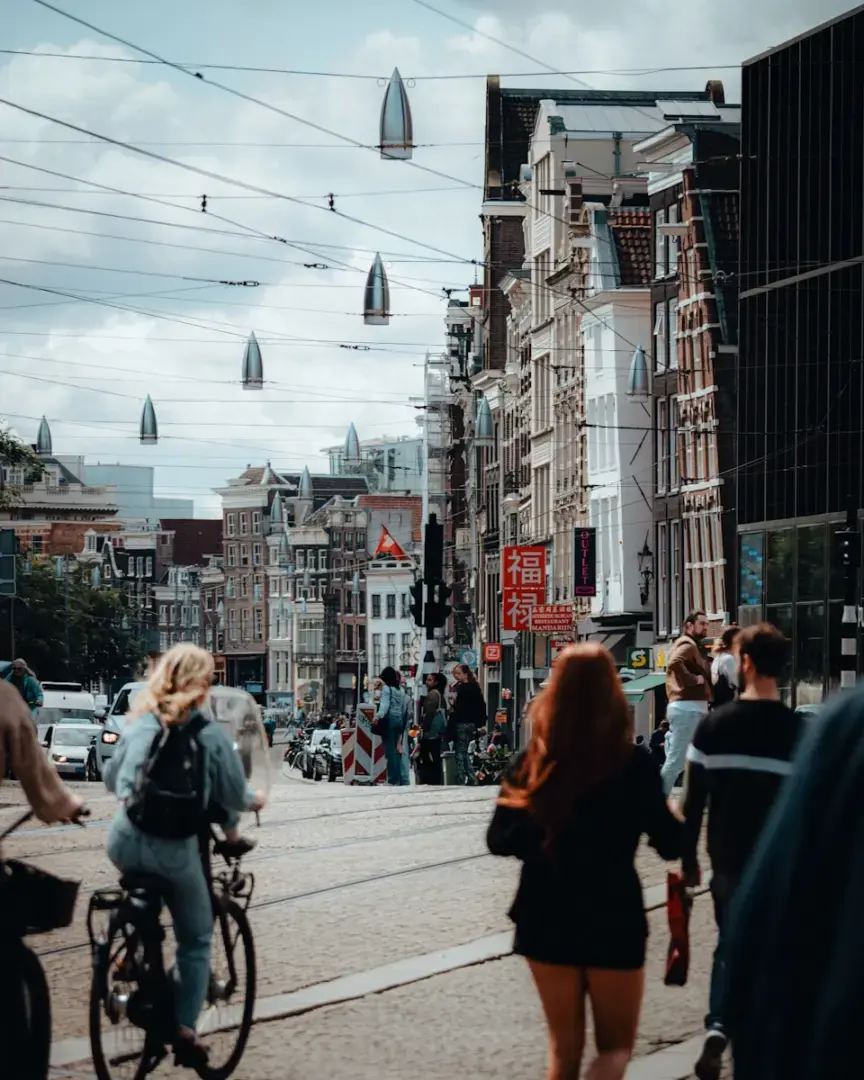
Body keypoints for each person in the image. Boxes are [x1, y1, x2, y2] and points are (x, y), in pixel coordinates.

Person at [487, 644, 682, 1080]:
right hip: (613, 913)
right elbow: (669, 843)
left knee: (563, 1044)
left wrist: (542, 835)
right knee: (614, 1049)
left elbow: (498, 839)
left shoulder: (531, 764)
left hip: (545, 912)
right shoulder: (633, 765)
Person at [103, 644, 265, 1067]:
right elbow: (231, 793)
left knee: (144, 894)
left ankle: (131, 950)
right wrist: (253, 803)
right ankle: (184, 1029)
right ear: (203, 686)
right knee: (195, 938)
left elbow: (110, 778)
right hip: (175, 850)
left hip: (124, 840)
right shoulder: (211, 736)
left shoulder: (139, 724)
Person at [680, 623, 801, 1080]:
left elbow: (692, 803)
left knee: (731, 944)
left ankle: (717, 1026)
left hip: (727, 861)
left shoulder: (714, 727)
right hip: (778, 867)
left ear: (744, 664)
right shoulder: (796, 732)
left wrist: (689, 858)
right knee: (773, 950)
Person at [0, 678, 83, 821]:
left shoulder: (24, 683)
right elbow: (30, 764)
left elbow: (38, 695)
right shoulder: (6, 697)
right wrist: (58, 803)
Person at [661, 611, 712, 795]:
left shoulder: (692, 645)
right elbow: (674, 662)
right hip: (688, 709)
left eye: (707, 624)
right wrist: (693, 680)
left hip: (692, 709)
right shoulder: (687, 643)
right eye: (702, 623)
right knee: (676, 763)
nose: (705, 627)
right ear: (689, 626)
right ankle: (657, 806)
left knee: (697, 760)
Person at [451, 664, 486, 785]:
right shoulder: (475, 687)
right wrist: (480, 723)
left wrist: (452, 703)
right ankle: (471, 777)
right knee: (464, 750)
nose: (457, 676)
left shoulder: (462, 688)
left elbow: (460, 707)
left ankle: (463, 777)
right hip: (472, 723)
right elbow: (482, 705)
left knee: (460, 751)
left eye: (459, 673)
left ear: (466, 674)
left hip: (462, 722)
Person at [374, 666, 409, 786]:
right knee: (395, 750)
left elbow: (384, 706)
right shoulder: (401, 690)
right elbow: (403, 708)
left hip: (389, 721)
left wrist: (377, 716)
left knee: (389, 752)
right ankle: (400, 777)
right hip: (399, 721)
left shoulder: (387, 689)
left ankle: (392, 779)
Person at [417, 672, 446, 785]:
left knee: (426, 754)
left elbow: (428, 714)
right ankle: (436, 778)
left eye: (429, 680)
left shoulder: (433, 694)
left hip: (431, 731)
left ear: (436, 682)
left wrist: (422, 728)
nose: (426, 682)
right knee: (435, 755)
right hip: (437, 732)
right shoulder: (440, 694)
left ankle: (430, 778)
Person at [710, 626, 740, 708]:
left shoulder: (718, 657)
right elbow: (739, 682)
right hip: (729, 705)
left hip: (719, 706)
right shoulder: (728, 659)